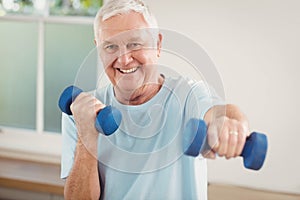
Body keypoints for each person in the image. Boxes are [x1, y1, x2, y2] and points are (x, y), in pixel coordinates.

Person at [61, 0, 250, 199]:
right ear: (98, 49)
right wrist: (87, 138)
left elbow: (222, 111)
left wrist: (231, 125)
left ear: (157, 44)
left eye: (134, 44)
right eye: (110, 47)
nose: (124, 59)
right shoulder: (82, 111)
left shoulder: (189, 95)